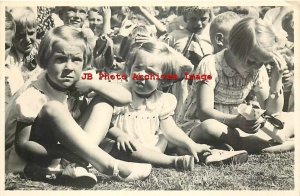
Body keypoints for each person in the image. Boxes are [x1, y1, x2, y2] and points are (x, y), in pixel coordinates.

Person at [5, 25, 152, 186]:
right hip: (35, 158)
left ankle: (78, 164)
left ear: (84, 62)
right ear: (46, 62)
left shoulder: (78, 82)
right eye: (60, 59)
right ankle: (110, 165)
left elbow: (125, 98)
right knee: (54, 108)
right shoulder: (33, 94)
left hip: (68, 154)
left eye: (76, 60)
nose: (69, 67)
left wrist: (93, 85)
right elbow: (23, 146)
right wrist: (66, 152)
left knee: (104, 101)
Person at [100, 41, 249, 171]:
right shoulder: (121, 92)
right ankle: (174, 162)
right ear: (129, 69)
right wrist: (120, 135)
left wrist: (191, 144)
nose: (141, 75)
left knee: (178, 143)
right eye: (137, 68)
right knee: (132, 149)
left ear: (163, 81)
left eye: (150, 72)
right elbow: (104, 122)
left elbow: (170, 129)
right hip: (124, 145)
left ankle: (211, 154)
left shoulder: (163, 100)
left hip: (152, 145)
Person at [177, 18, 294, 154]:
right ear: (233, 48)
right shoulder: (211, 64)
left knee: (292, 117)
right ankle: (265, 146)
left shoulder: (257, 69)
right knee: (210, 127)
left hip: (237, 124)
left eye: (261, 63)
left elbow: (272, 112)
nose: (256, 66)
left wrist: (276, 82)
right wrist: (236, 122)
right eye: (251, 61)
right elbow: (204, 112)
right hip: (203, 123)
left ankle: (242, 143)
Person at [160, 7, 214, 118]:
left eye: (203, 19)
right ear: (185, 18)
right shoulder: (174, 36)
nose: (198, 24)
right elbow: (162, 59)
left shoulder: (211, 38)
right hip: (179, 85)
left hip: (203, 84)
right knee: (176, 113)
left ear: (209, 18)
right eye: (193, 19)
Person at [5, 7, 43, 103]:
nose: (27, 39)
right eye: (21, 35)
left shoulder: (40, 50)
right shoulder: (9, 58)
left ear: (36, 30)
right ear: (13, 35)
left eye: (31, 33)